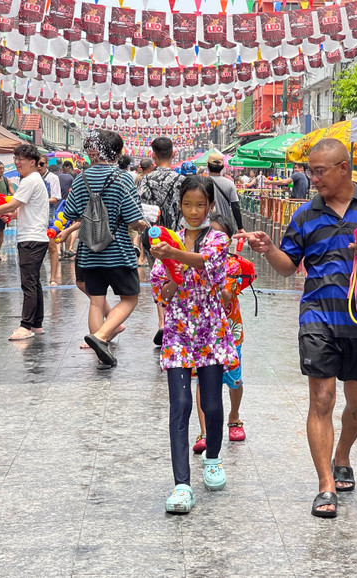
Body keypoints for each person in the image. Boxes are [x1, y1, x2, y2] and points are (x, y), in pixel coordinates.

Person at [236, 138, 357, 518]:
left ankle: (343, 454)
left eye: (319, 171)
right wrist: (268, 249)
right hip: (317, 316)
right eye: (310, 171)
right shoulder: (304, 215)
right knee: (321, 400)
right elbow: (288, 265)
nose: (312, 178)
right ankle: (325, 486)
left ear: (344, 168)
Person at [149, 175, 237, 513]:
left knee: (212, 405)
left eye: (201, 205)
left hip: (210, 330)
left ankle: (212, 457)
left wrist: (175, 254)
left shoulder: (217, 238)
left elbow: (209, 265)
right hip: (179, 329)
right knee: (181, 404)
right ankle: (182, 485)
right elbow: (163, 291)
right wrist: (169, 269)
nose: (194, 211)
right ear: (179, 205)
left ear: (210, 206)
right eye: (188, 205)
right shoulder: (169, 240)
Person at [63, 130, 147, 367]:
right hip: (118, 251)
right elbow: (133, 219)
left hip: (89, 251)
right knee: (130, 298)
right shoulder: (123, 179)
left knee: (96, 301)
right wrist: (145, 223)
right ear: (119, 153)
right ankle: (101, 337)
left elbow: (70, 213)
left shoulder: (81, 178)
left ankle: (101, 346)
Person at [0, 145, 50, 340]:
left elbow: (13, 203)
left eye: (21, 159)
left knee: (28, 283)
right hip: (35, 236)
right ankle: (36, 324)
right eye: (16, 158)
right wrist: (9, 214)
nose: (17, 162)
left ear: (33, 162)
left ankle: (25, 326)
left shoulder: (30, 180)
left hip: (31, 238)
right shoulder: (34, 180)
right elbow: (19, 210)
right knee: (34, 282)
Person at [192, 214, 248, 454]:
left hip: (230, 329)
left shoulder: (234, 265)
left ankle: (234, 417)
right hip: (203, 329)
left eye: (220, 236)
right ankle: (204, 431)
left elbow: (227, 296)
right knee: (202, 379)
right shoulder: (195, 260)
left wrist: (215, 275)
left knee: (234, 379)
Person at [137, 137, 187, 345]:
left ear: (153, 155)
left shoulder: (145, 180)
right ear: (173, 154)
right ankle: (177, 321)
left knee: (158, 277)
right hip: (178, 238)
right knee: (178, 276)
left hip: (153, 238)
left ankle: (162, 322)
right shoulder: (182, 181)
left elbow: (140, 211)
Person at [37, 154, 63, 286]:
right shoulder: (31, 177)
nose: (39, 166)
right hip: (34, 218)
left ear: (46, 164)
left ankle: (53, 277)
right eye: (37, 163)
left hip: (48, 216)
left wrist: (39, 201)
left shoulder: (52, 178)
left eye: (42, 164)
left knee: (52, 247)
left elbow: (55, 198)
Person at [207, 153, 244, 234]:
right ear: (222, 167)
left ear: (208, 166)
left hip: (207, 227)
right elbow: (235, 206)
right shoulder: (230, 183)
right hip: (225, 227)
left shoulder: (202, 183)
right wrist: (240, 227)